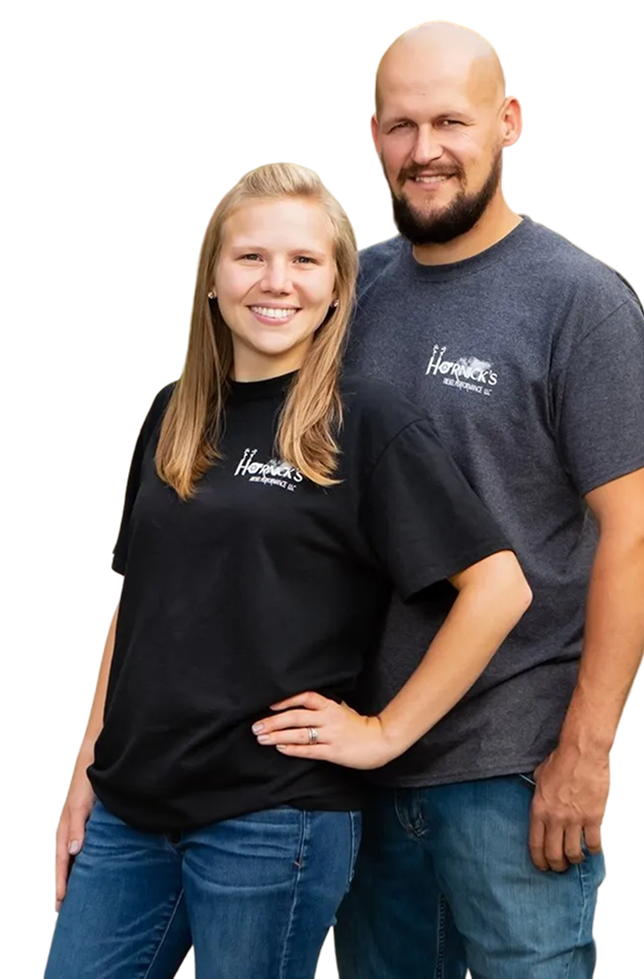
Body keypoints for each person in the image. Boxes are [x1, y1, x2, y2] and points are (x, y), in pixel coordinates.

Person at [46, 161, 533, 979]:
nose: (278, 283)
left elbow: (499, 585)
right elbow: (138, 608)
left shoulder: (365, 419)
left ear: (341, 286)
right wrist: (84, 772)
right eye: (251, 258)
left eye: (306, 261)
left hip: (270, 819)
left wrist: (383, 734)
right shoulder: (173, 412)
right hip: (130, 812)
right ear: (209, 277)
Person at [250, 20, 644, 979]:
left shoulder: (579, 300)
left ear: (507, 123)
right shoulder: (346, 290)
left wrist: (584, 753)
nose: (426, 151)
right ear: (374, 136)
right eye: (402, 126)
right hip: (358, 764)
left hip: (511, 768)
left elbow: (631, 536)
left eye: (452, 123)